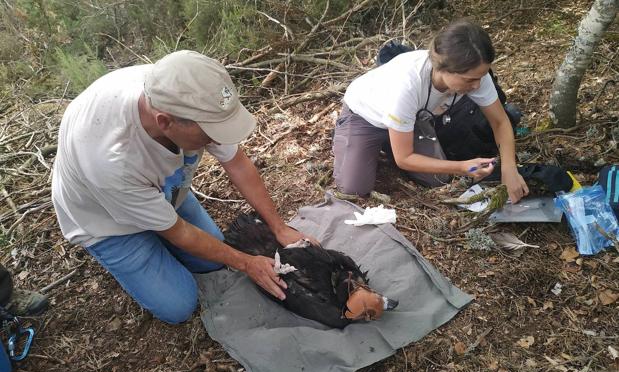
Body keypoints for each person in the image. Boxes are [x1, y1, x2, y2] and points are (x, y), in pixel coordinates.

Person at [51, 50, 312, 324]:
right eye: (209, 134)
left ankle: (158, 216)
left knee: (212, 261)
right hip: (107, 221)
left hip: (156, 189)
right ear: (165, 122)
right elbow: (179, 232)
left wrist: (279, 227)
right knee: (179, 306)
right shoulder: (110, 160)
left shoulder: (183, 88)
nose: (216, 140)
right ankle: (137, 247)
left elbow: (236, 162)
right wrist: (247, 263)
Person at [332, 20, 529, 203]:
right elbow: (405, 158)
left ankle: (395, 141)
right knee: (354, 189)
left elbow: (500, 122)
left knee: (438, 179)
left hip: (416, 117)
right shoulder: (407, 85)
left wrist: (509, 169)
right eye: (469, 80)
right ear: (442, 68)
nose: (478, 85)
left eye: (481, 76)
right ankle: (355, 138)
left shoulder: (475, 73)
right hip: (366, 118)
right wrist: (462, 168)